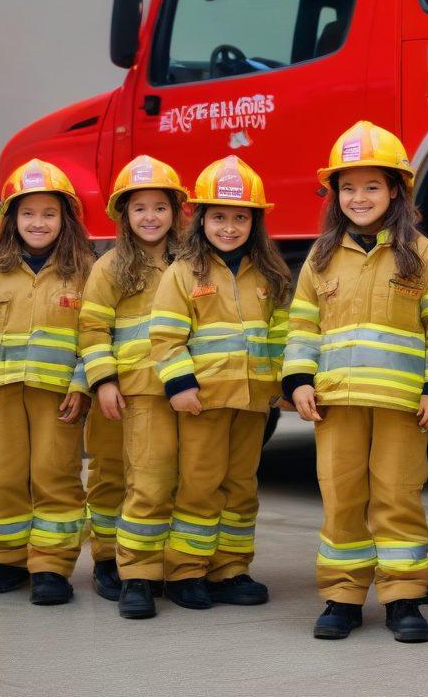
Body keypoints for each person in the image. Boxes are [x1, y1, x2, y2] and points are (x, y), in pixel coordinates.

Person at [282, 121, 428, 643]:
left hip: (403, 406)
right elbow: (302, 327)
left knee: (398, 497)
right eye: (348, 187)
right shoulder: (320, 257)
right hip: (336, 404)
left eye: (372, 186)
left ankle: (403, 598)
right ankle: (342, 598)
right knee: (341, 498)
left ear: (396, 191)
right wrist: (299, 380)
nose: (359, 198)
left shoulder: (421, 254)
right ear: (334, 194)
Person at [142, 156, 290, 619]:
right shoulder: (182, 273)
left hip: (253, 402)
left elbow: (282, 333)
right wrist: (180, 385)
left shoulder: (270, 274)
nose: (229, 227)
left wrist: (283, 381)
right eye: (219, 217)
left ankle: (230, 569)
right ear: (201, 218)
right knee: (199, 485)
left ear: (255, 222)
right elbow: (165, 337)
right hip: (202, 402)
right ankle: (186, 571)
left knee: (241, 487)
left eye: (240, 218)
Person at [0, 159, 95, 606]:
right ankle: (9, 561)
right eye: (28, 213)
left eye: (49, 213)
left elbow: (94, 335)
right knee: (7, 476)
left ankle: (52, 566)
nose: (38, 223)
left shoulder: (85, 272)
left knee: (55, 474)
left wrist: (82, 385)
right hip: (2, 395)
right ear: (11, 219)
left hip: (58, 397)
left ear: (65, 219)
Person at [78, 155, 187, 606]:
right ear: (124, 215)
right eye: (139, 208)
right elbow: (91, 329)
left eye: (159, 207)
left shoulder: (191, 263)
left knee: (164, 478)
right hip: (122, 393)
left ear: (175, 212)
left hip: (177, 389)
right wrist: (103, 381)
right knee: (111, 474)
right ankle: (109, 558)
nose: (150, 217)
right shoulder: (109, 268)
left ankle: (155, 561)